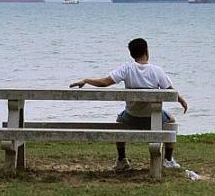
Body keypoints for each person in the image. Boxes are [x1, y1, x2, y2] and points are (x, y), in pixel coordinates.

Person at [69, 38, 188, 171]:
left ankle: (121, 159)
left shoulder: (127, 69)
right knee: (172, 121)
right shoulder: (157, 71)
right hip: (154, 119)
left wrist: (86, 80)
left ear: (131, 54)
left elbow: (104, 82)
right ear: (147, 51)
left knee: (118, 121)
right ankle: (168, 159)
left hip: (131, 118)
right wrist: (182, 100)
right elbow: (171, 91)